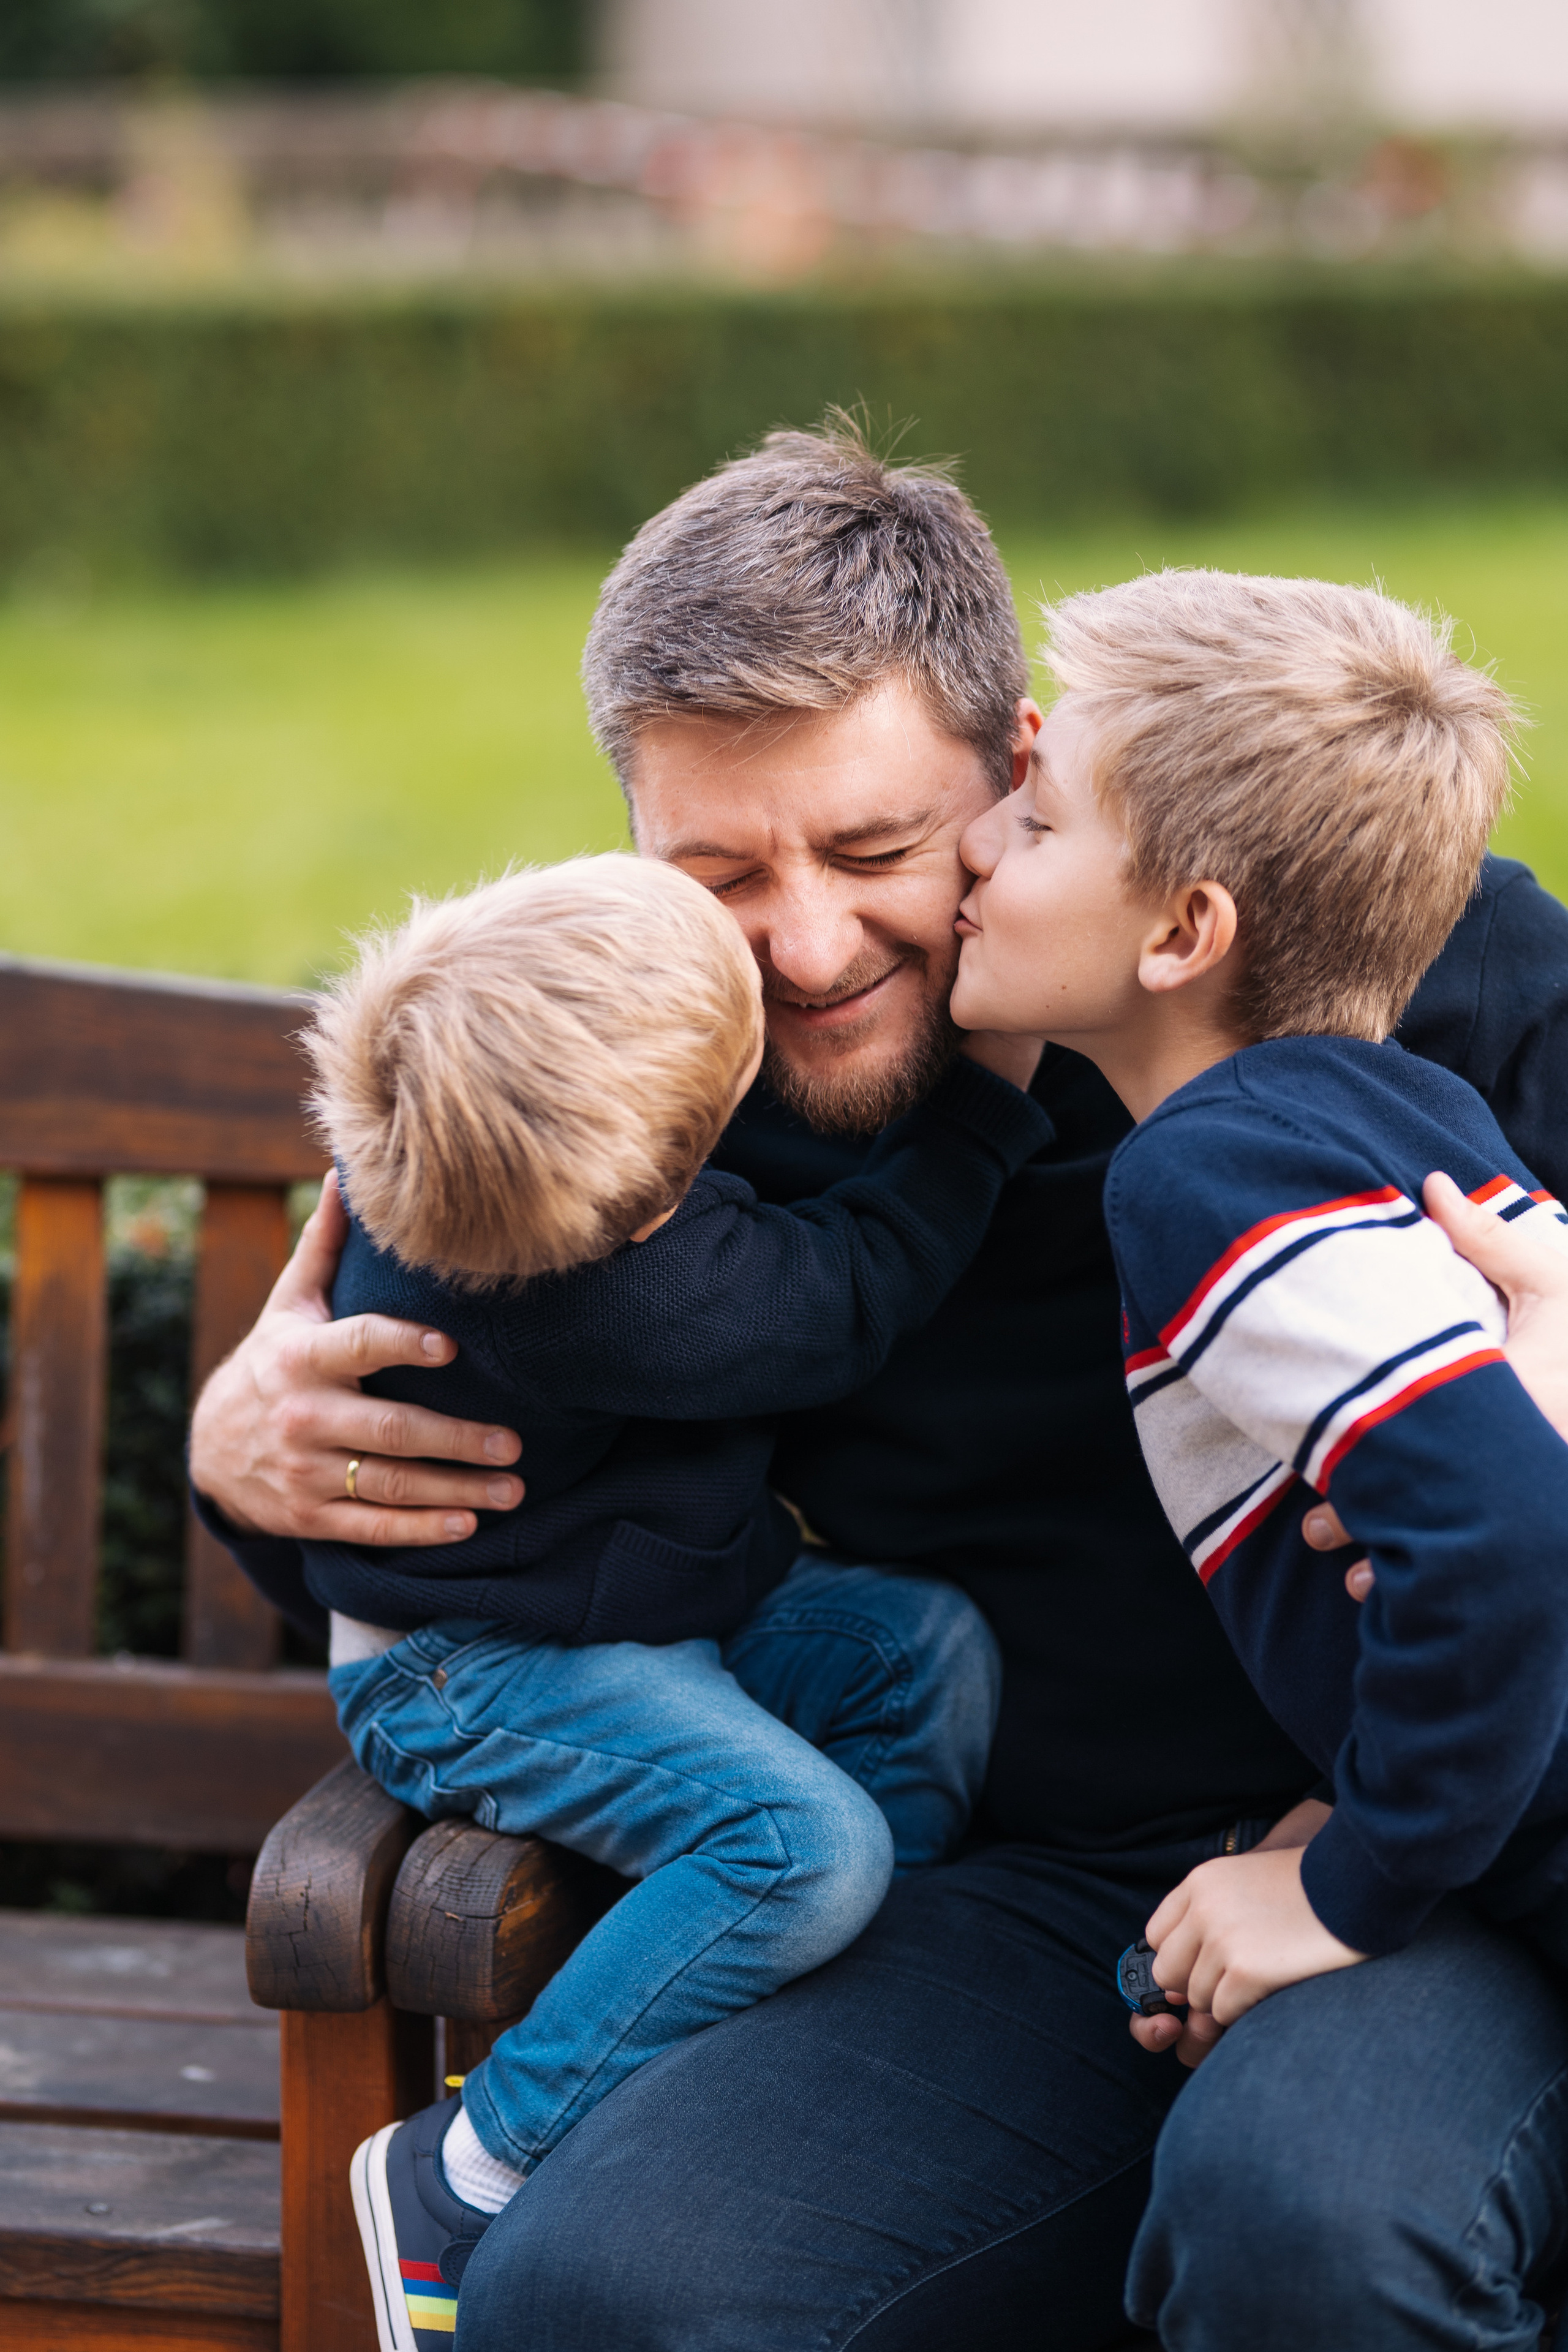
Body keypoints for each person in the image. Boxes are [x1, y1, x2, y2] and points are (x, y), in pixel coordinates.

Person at [192, 421, 1568, 2350]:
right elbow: (487, 1501)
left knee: (1314, 2229)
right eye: (722, 870)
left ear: (1025, 778)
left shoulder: (1410, 949)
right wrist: (259, 1462)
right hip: (1035, 1893)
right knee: (605, 2303)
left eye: (872, 849)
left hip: (1448, 1853)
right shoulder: (640, 1107)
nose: (813, 945)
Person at [287, 851, 1047, 2336]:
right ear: (653, 1205)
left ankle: (776, 2026)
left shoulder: (460, 1113)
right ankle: (470, 2165)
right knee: (799, 1847)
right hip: (473, 1670)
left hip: (617, 1608)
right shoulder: (625, 1291)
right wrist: (990, 1093)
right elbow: (850, 1287)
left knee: (915, 1648)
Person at [949, 569, 1568, 2051]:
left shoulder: (1203, 1170)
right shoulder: (1390, 1105)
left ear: (1181, 934)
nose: (977, 838)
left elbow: (1507, 1529)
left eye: (1036, 826)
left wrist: (1344, 1891)